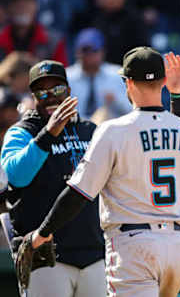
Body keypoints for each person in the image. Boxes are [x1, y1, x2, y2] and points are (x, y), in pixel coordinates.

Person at [28, 47, 180, 297]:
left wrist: (42, 233)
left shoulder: (113, 130)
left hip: (132, 245)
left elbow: (78, 193)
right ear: (164, 81)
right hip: (175, 247)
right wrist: (178, 95)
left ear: (127, 82)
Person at [0, 60, 105, 296]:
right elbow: (16, 177)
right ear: (33, 95)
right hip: (45, 255)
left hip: (94, 253)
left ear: (68, 91)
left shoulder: (89, 130)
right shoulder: (22, 131)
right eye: (42, 92)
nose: (51, 97)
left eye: (57, 90)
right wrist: (48, 135)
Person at [67, 27, 131, 119]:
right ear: (77, 52)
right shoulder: (67, 76)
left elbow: (133, 111)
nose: (89, 55)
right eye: (85, 51)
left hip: (110, 129)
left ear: (103, 52)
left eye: (94, 51)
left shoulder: (117, 74)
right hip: (76, 129)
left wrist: (115, 100)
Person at [0, 0, 68, 65]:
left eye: (26, 6)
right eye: (18, 6)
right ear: (9, 9)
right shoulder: (1, 37)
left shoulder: (53, 41)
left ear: (36, 8)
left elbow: (61, 72)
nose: (22, 11)